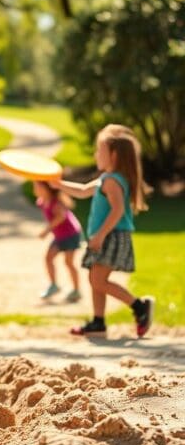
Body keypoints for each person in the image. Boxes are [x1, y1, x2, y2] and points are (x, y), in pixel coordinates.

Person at [54, 124, 153, 337]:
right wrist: (57, 184)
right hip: (107, 236)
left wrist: (99, 235)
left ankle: (139, 306)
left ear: (114, 155)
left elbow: (117, 210)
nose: (95, 154)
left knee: (98, 280)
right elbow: (81, 191)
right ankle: (98, 322)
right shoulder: (105, 179)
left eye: (100, 150)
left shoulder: (111, 181)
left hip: (110, 236)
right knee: (94, 279)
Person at [34, 180, 83, 303]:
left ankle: (76, 290)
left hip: (71, 234)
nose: (35, 189)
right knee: (48, 258)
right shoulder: (42, 202)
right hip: (60, 236)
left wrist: (46, 230)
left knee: (69, 262)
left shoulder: (56, 203)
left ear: (47, 189)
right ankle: (53, 285)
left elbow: (61, 216)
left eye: (38, 187)